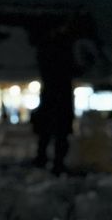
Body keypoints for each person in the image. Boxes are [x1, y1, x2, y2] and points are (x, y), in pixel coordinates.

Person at [32, 20, 79, 175]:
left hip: (55, 95)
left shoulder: (53, 47)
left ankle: (51, 161)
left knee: (56, 134)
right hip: (56, 96)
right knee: (54, 133)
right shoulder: (55, 48)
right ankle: (48, 160)